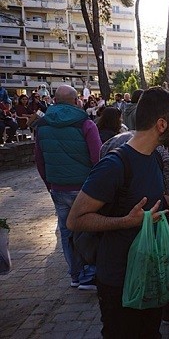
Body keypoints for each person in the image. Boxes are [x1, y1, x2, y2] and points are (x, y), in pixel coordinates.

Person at [67, 87, 169, 338]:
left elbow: (156, 200)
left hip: (149, 271)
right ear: (161, 124)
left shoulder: (156, 158)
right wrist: (126, 221)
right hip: (119, 278)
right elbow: (75, 220)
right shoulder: (115, 165)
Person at [34, 85, 102, 289]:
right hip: (85, 188)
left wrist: (50, 184)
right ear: (75, 101)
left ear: (54, 101)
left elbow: (39, 159)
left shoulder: (42, 124)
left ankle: (75, 274)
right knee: (90, 229)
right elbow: (97, 157)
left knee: (67, 231)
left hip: (58, 188)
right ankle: (90, 273)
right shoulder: (85, 123)